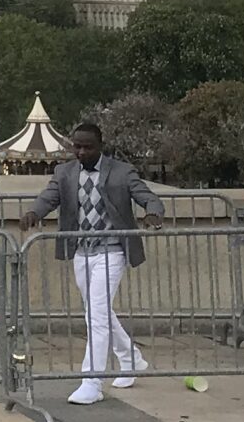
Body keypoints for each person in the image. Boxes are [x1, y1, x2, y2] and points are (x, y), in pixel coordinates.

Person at [26, 121, 167, 405]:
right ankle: (130, 357)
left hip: (112, 251)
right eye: (76, 147)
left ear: (100, 146)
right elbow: (49, 197)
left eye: (87, 147)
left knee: (97, 315)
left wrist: (153, 213)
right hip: (81, 252)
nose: (81, 152)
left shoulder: (122, 171)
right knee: (97, 312)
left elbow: (147, 196)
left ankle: (92, 382)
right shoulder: (64, 172)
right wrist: (33, 213)